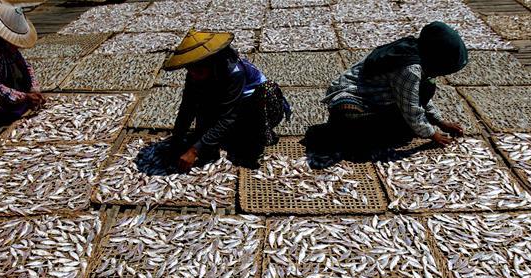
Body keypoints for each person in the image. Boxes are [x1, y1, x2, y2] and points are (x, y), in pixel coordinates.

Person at [321, 21, 469, 153]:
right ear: (436, 59)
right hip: (353, 94)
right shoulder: (410, 69)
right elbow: (411, 107)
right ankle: (344, 131)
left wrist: (438, 121)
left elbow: (419, 97)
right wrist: (431, 134)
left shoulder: (418, 49)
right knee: (353, 122)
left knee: (424, 91)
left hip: (381, 96)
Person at [162, 30, 291, 170]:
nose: (193, 74)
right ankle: (224, 137)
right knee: (204, 135)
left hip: (255, 107)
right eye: (190, 69)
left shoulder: (234, 72)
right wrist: (176, 140)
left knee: (265, 94)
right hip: (230, 104)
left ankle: (254, 141)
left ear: (210, 62)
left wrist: (194, 150)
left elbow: (228, 117)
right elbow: (187, 108)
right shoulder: (195, 73)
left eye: (198, 70)